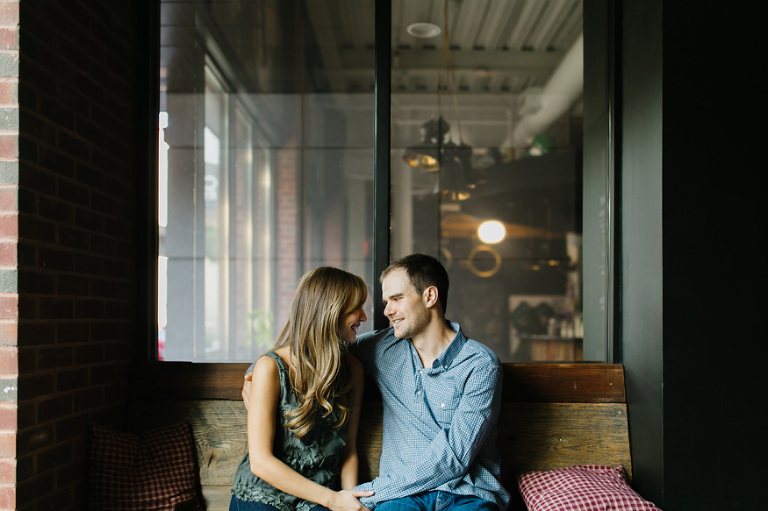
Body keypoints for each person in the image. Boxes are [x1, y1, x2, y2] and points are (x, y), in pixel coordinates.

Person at [242, 254, 509, 511]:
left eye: (396, 299)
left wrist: (369, 495)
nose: (387, 311)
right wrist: (260, 370)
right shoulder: (381, 348)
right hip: (404, 500)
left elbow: (454, 459)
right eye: (386, 301)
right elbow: (314, 346)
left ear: (429, 296)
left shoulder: (480, 364)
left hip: (466, 494)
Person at [231, 266, 374, 511]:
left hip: (319, 496)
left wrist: (350, 498)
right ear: (330, 311)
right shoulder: (270, 368)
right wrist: (334, 500)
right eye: (356, 308)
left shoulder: (354, 370)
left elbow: (348, 450)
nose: (364, 316)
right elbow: (261, 463)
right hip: (264, 493)